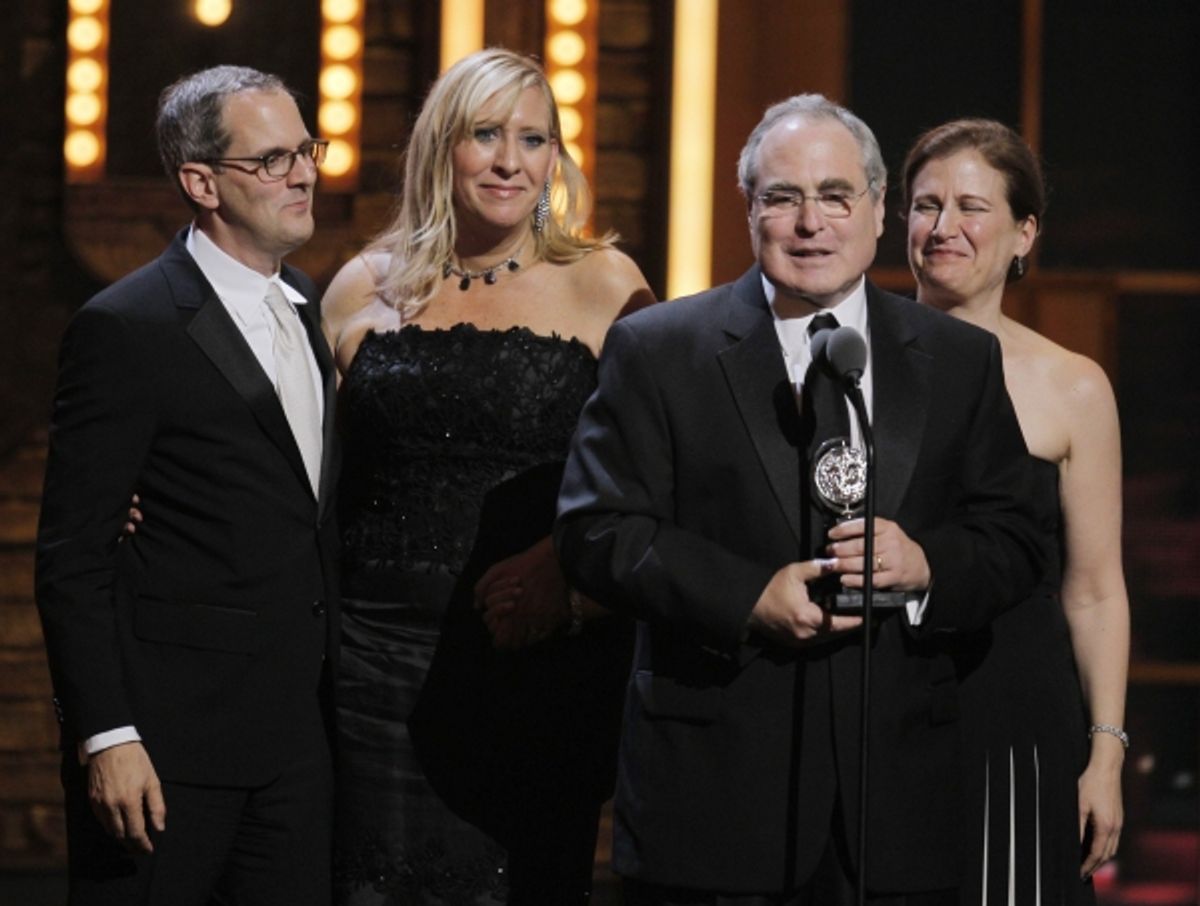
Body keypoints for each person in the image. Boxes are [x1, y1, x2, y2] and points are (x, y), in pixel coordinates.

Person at [555, 93, 1049, 904]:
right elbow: (595, 530)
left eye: (834, 195)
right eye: (783, 197)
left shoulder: (959, 361)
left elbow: (1017, 537)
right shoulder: (660, 348)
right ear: (750, 209)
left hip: (898, 812)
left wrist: (926, 565)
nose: (810, 222)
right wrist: (746, 596)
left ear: (878, 209)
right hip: (714, 805)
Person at [320, 48, 654, 905]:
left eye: (533, 138)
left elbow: (656, 477)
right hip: (373, 663)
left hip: (528, 655)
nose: (510, 160)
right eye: (486, 133)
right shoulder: (362, 287)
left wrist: (564, 569)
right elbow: (300, 462)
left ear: (555, 159)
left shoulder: (605, 286)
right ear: (443, 146)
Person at [35, 65, 339, 905]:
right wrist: (106, 736)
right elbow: (72, 559)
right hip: (169, 754)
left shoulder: (306, 302)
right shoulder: (126, 327)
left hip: (297, 746)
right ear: (201, 182)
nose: (305, 173)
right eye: (273, 160)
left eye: (307, 149)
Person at [903, 118, 1129, 904]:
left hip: (1014, 712)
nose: (943, 228)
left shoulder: (1073, 385)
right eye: (925, 205)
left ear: (1024, 231)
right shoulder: (851, 360)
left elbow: (1096, 591)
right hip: (880, 701)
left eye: (970, 207)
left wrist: (1104, 755)